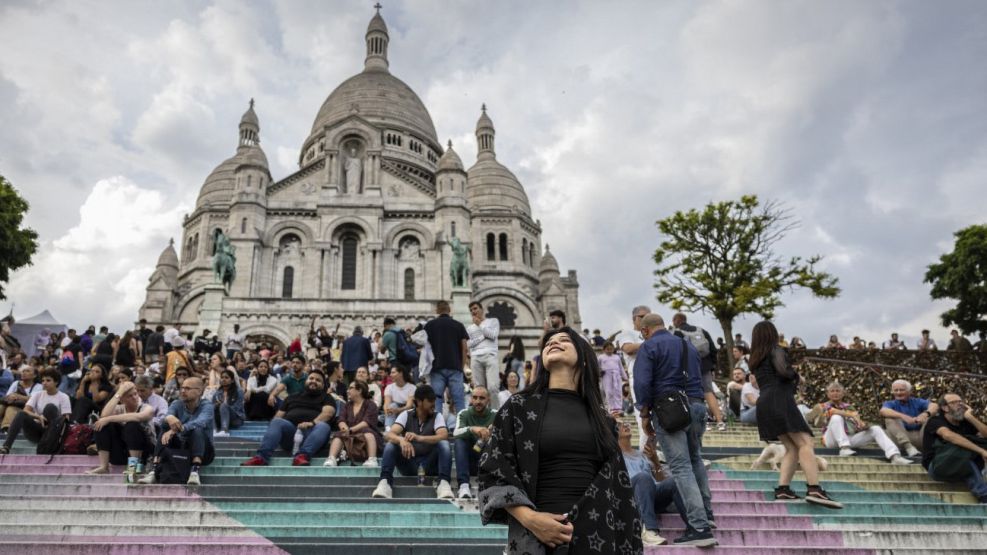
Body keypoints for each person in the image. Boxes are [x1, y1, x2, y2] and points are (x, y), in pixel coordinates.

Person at [478, 326, 641, 553]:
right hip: (535, 538)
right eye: (548, 342)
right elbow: (492, 470)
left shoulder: (605, 421)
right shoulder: (518, 408)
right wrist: (532, 520)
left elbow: (619, 491)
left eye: (564, 339)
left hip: (595, 536)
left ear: (584, 357)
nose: (553, 342)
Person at [634, 314, 717, 546]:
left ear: (645, 330)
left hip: (669, 408)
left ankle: (699, 527)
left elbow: (642, 383)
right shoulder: (686, 344)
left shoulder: (649, 346)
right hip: (697, 404)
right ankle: (708, 515)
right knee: (695, 459)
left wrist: (643, 414)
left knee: (680, 467)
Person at [748, 320, 841, 508]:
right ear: (772, 334)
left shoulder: (756, 357)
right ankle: (814, 488)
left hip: (764, 402)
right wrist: (797, 376)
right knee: (805, 442)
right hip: (780, 399)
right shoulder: (776, 350)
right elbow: (783, 371)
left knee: (791, 447)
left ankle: (783, 489)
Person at [372, 384, 454, 500]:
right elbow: (388, 435)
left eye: (434, 400)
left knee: (444, 444)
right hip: (409, 464)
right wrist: (401, 440)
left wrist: (419, 438)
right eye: (430, 400)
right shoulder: (406, 414)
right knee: (391, 445)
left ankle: (444, 483)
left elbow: (444, 435)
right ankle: (385, 483)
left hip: (429, 464)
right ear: (419, 402)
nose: (433, 404)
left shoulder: (437, 415)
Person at [241, 371, 336, 467]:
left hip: (313, 434)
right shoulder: (292, 397)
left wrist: (311, 423)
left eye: (318, 380)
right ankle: (261, 457)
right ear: (306, 381)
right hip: (291, 435)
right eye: (311, 378)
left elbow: (328, 413)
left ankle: (302, 456)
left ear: (323, 385)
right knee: (277, 422)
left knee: (324, 426)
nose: (314, 381)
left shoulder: (327, 397)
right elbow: (278, 417)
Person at [138, 377, 215, 486]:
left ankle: (194, 471)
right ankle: (154, 471)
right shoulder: (177, 403)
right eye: (182, 388)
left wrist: (177, 429)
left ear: (199, 391)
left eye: (187, 388)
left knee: (197, 430)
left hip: (204, 451)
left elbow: (201, 422)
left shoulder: (207, 406)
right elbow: (164, 420)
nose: (183, 391)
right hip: (181, 449)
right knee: (165, 428)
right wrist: (169, 417)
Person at [622, 421, 687, 547]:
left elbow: (660, 480)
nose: (625, 425)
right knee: (643, 477)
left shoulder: (642, 455)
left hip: (651, 495)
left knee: (674, 481)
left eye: (626, 423)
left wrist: (656, 462)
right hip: (630, 498)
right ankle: (649, 531)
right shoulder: (614, 455)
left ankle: (695, 527)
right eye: (619, 425)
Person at [814, 381, 912, 464]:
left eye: (838, 391)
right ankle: (844, 448)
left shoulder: (849, 407)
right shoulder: (822, 405)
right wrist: (851, 415)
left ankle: (894, 456)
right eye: (832, 391)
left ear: (843, 393)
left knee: (876, 429)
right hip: (830, 440)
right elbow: (832, 411)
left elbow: (856, 422)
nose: (835, 393)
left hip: (849, 438)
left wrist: (862, 426)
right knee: (836, 417)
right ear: (828, 394)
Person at [922, 393, 987, 503]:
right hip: (938, 467)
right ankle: (984, 494)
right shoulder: (935, 421)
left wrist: (970, 417)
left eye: (961, 401)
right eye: (954, 402)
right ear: (945, 407)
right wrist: (981, 451)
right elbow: (949, 436)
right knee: (960, 447)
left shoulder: (965, 422)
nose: (960, 404)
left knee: (972, 449)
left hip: (961, 466)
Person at [86, 381, 155, 479]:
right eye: (129, 396)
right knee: (101, 424)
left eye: (135, 394)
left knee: (132, 424)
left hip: (144, 454)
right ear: (121, 400)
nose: (135, 397)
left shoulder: (146, 407)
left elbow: (139, 417)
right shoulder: (119, 408)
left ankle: (133, 466)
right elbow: (104, 415)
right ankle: (104, 467)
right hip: (122, 454)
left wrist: (109, 419)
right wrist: (120, 392)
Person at [671, 313, 723, 432]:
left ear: (676, 320)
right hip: (705, 366)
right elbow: (713, 350)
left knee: (692, 395)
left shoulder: (677, 332)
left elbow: (676, 351)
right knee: (708, 392)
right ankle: (720, 421)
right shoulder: (701, 330)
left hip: (688, 367)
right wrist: (712, 367)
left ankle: (705, 421)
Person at [0, 369, 72, 454]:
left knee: (50, 407)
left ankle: (47, 443)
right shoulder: (38, 394)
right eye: (43, 380)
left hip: (54, 431)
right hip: (37, 430)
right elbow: (26, 410)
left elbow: (66, 419)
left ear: (56, 382)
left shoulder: (63, 397)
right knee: (21, 414)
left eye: (48, 380)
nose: (44, 383)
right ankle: (6, 446)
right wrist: (38, 416)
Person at [424, 301, 469, 415]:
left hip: (437, 367)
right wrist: (461, 366)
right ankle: (461, 427)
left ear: (437, 311)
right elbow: (464, 348)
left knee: (437, 399)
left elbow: (424, 347)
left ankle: (438, 427)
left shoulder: (430, 325)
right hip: (455, 367)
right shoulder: (459, 325)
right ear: (449, 310)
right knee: (459, 399)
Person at [452, 386, 496, 499]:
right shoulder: (464, 413)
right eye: (475, 398)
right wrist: (472, 428)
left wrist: (492, 434)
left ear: (488, 400)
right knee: (459, 441)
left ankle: (492, 483)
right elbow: (455, 432)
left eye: (482, 398)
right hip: (469, 462)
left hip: (487, 460)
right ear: (471, 399)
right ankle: (464, 485)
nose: (478, 401)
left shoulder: (496, 414)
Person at [324, 380, 381, 467]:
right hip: (350, 437)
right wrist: (344, 428)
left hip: (367, 437)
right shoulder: (347, 405)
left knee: (367, 431)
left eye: (350, 388)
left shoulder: (370, 404)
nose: (347, 391)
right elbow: (341, 420)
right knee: (339, 434)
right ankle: (332, 459)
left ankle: (372, 459)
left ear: (359, 390)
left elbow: (366, 422)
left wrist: (350, 430)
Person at [879, 379, 939, 458]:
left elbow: (935, 406)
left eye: (902, 390)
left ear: (909, 391)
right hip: (901, 440)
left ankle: (932, 448)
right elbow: (883, 411)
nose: (898, 392)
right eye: (895, 390)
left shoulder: (918, 401)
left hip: (921, 437)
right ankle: (908, 447)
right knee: (889, 418)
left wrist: (925, 414)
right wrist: (903, 417)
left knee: (932, 418)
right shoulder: (890, 403)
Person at [466, 301, 501, 408]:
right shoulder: (470, 328)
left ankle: (495, 413)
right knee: (479, 390)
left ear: (481, 309)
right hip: (476, 357)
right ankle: (482, 414)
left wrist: (480, 324)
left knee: (493, 388)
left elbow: (493, 335)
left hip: (490, 355)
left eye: (475, 308)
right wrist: (482, 337)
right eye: (471, 310)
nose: (473, 311)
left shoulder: (493, 321)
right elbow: (469, 344)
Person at [1, 365, 41, 431]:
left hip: (27, 409)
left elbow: (31, 399)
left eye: (27, 371)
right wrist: (11, 397)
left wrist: (17, 395)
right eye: (23, 371)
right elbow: (7, 396)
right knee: (1, 406)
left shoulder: (38, 386)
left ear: (34, 375)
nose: (24, 373)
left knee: (10, 409)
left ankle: (7, 429)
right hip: (12, 404)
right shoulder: (16, 383)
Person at [213, 369, 245, 437]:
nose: (223, 379)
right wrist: (216, 406)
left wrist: (224, 406)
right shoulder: (217, 393)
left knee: (223, 406)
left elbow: (237, 408)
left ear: (232, 380)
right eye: (222, 377)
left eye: (226, 377)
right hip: (220, 419)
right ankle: (214, 430)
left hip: (235, 419)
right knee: (211, 407)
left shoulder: (239, 391)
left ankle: (224, 431)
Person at [598, 341, 626, 415]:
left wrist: (625, 377)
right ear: (604, 349)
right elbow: (597, 367)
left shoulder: (617, 357)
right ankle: (611, 408)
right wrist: (599, 372)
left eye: (611, 349)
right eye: (608, 349)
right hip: (606, 375)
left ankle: (619, 408)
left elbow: (621, 367)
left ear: (613, 349)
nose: (609, 351)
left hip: (616, 376)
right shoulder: (601, 357)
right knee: (609, 392)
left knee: (618, 392)